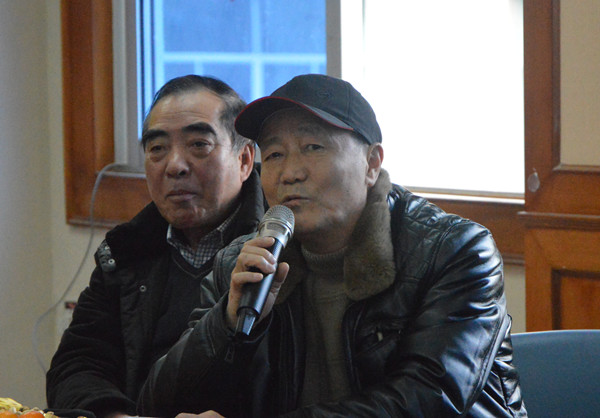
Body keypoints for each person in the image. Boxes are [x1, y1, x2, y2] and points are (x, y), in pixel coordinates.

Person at [137, 74, 527, 417]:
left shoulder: (454, 252)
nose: (290, 173)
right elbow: (160, 402)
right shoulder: (243, 263)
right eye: (274, 154)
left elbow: (423, 400)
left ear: (372, 164)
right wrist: (226, 323)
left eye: (313, 147)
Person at [46, 75, 267, 418]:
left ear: (244, 160)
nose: (175, 166)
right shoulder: (127, 250)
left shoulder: (275, 250)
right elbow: (76, 364)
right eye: (157, 149)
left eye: (199, 145)